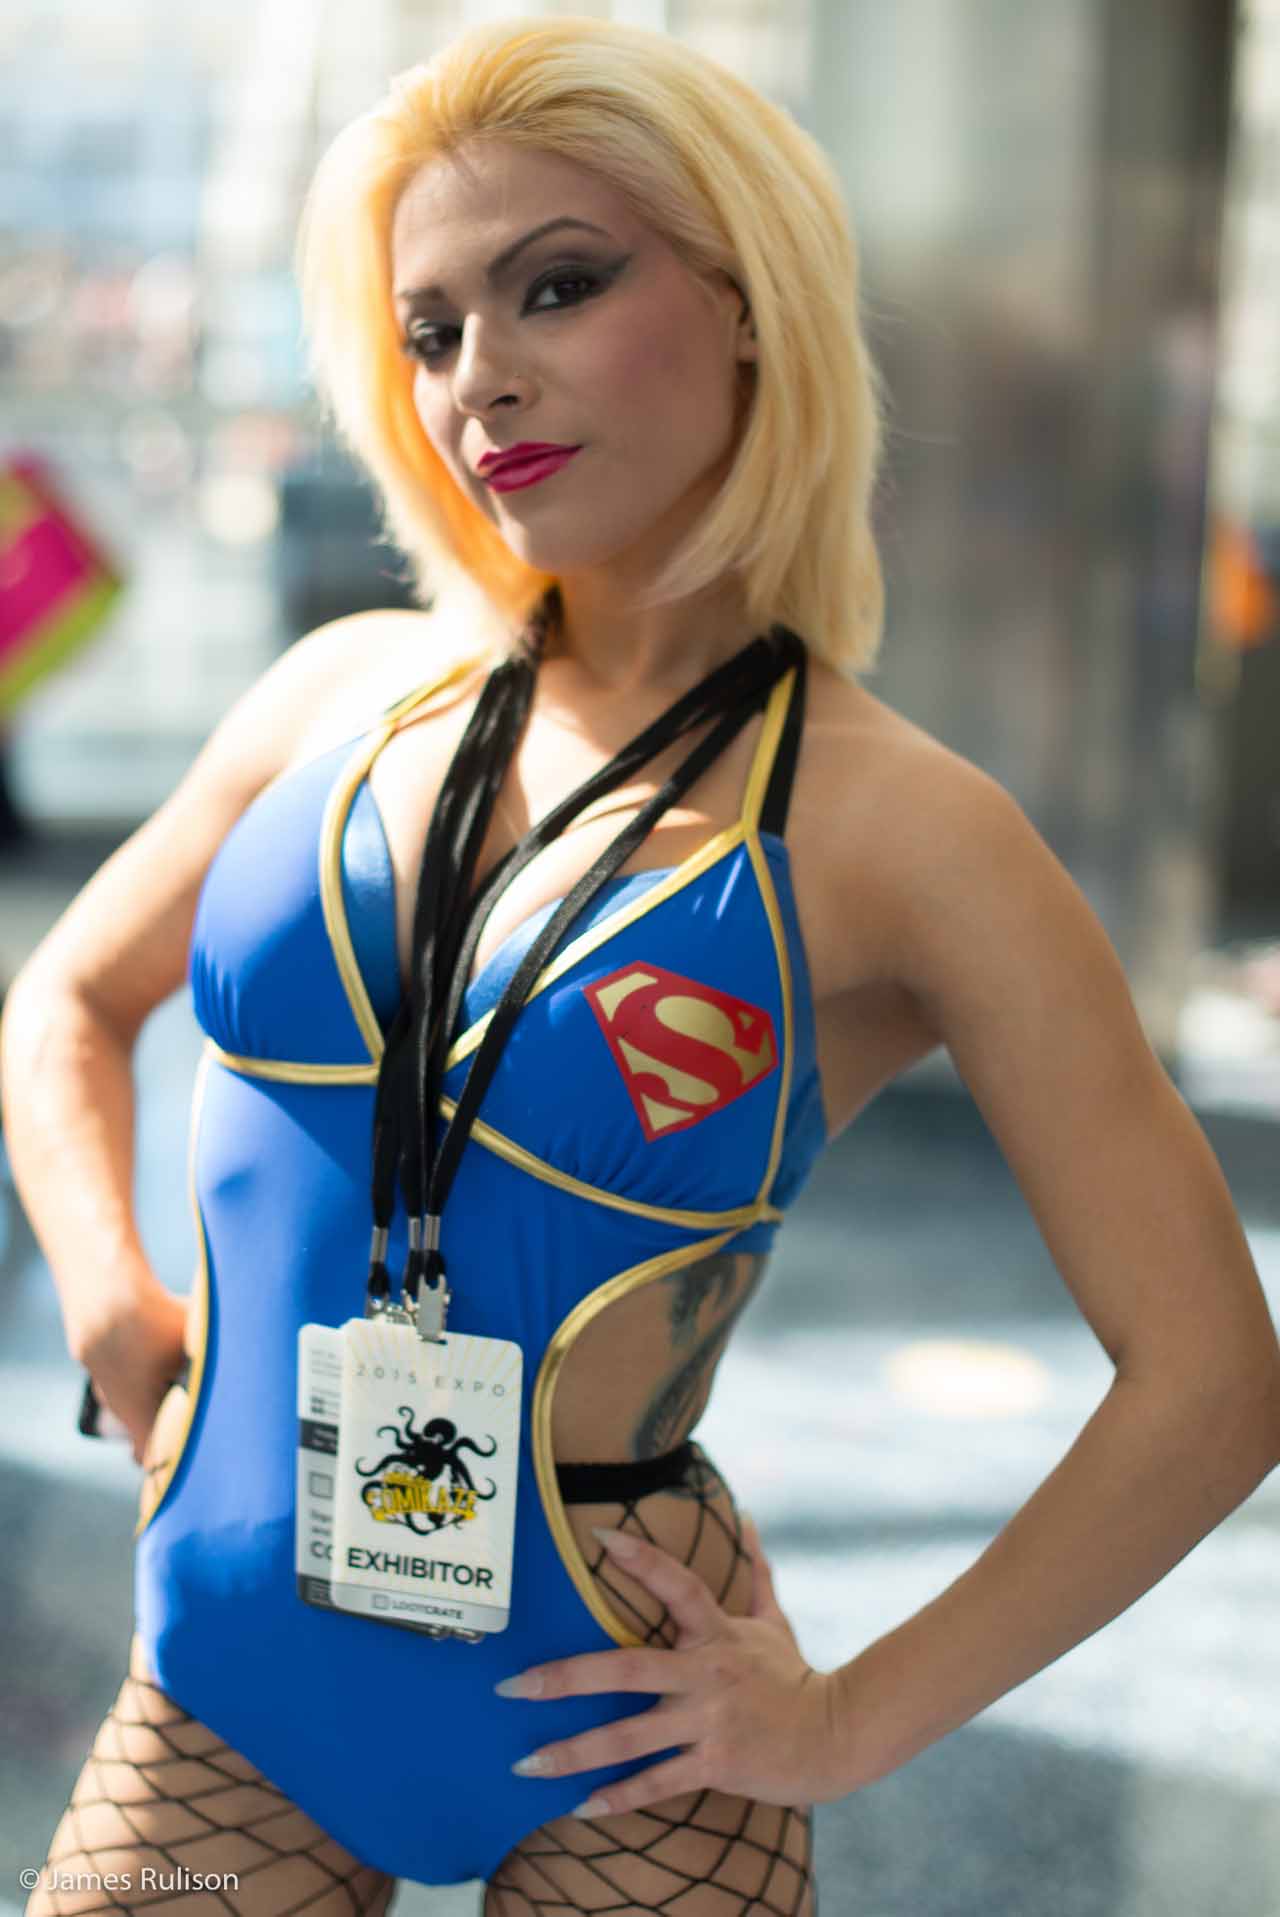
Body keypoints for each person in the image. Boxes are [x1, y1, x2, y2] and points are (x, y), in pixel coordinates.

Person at [3, 15, 1279, 1916]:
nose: (483, 377)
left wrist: (847, 1719)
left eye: (560, 285)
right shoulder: (338, 697)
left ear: (748, 302)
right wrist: (112, 1296)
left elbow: (1213, 1376)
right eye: (431, 329)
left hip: (619, 1711)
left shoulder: (908, 833)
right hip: (229, 1675)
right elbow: (68, 1001)